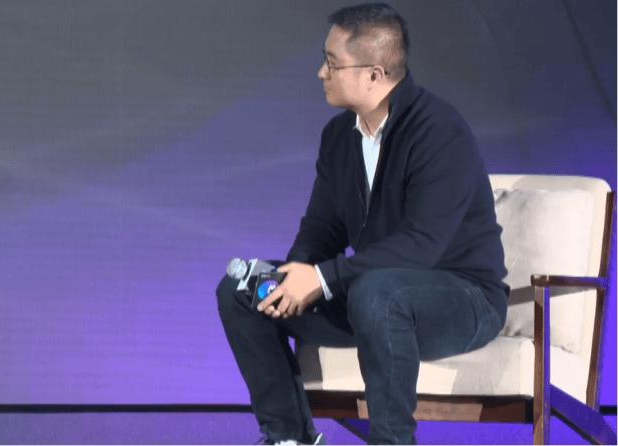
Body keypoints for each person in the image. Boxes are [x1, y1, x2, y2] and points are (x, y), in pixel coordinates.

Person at [216, 3, 508, 444]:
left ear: (374, 74)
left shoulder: (439, 131)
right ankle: (288, 437)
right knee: (242, 291)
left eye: (332, 64)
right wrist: (297, 272)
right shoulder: (338, 137)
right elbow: (323, 227)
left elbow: (421, 246)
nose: (321, 73)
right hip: (373, 297)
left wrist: (323, 278)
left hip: (462, 299)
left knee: (378, 292)